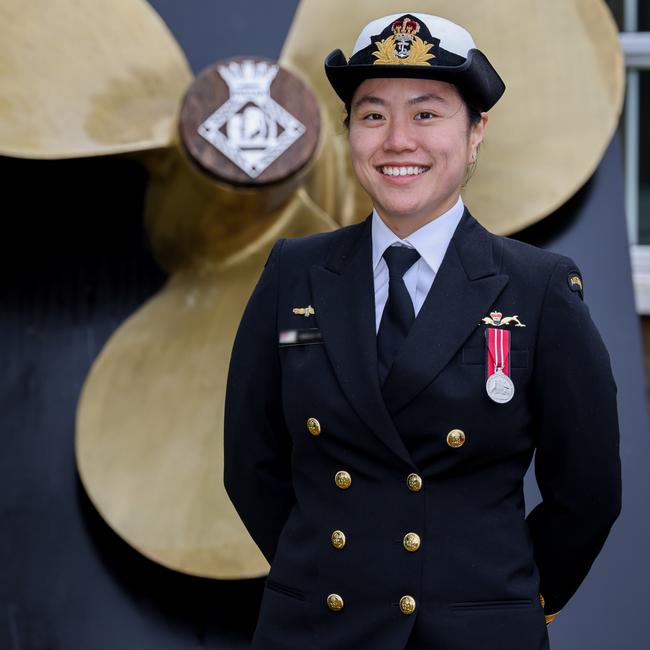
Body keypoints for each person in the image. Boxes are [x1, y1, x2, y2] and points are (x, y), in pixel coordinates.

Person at [223, 12, 621, 650]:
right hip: (317, 629)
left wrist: (500, 600)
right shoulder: (295, 276)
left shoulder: (537, 289)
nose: (398, 140)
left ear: (476, 131)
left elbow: (588, 491)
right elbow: (251, 462)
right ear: (349, 132)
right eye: (373, 115)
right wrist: (325, 569)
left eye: (427, 114)